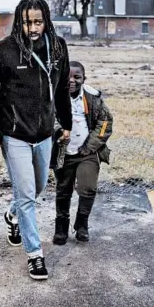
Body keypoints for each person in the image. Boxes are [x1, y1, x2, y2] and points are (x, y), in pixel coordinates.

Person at [0, 0, 72, 280]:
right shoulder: (4, 50)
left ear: (46, 21)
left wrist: (65, 123)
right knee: (28, 195)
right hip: (14, 135)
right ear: (19, 21)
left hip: (44, 135)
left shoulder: (57, 47)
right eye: (27, 22)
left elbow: (63, 87)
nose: (32, 28)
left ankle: (13, 215)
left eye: (38, 22)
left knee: (37, 187)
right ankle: (34, 255)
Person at [51, 61, 113, 245]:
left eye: (77, 77)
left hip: (87, 152)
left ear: (83, 79)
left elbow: (105, 124)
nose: (72, 81)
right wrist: (58, 132)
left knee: (88, 188)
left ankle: (82, 224)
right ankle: (61, 227)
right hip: (64, 154)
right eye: (68, 77)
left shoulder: (93, 98)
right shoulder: (54, 96)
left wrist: (90, 146)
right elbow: (46, 118)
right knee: (63, 191)